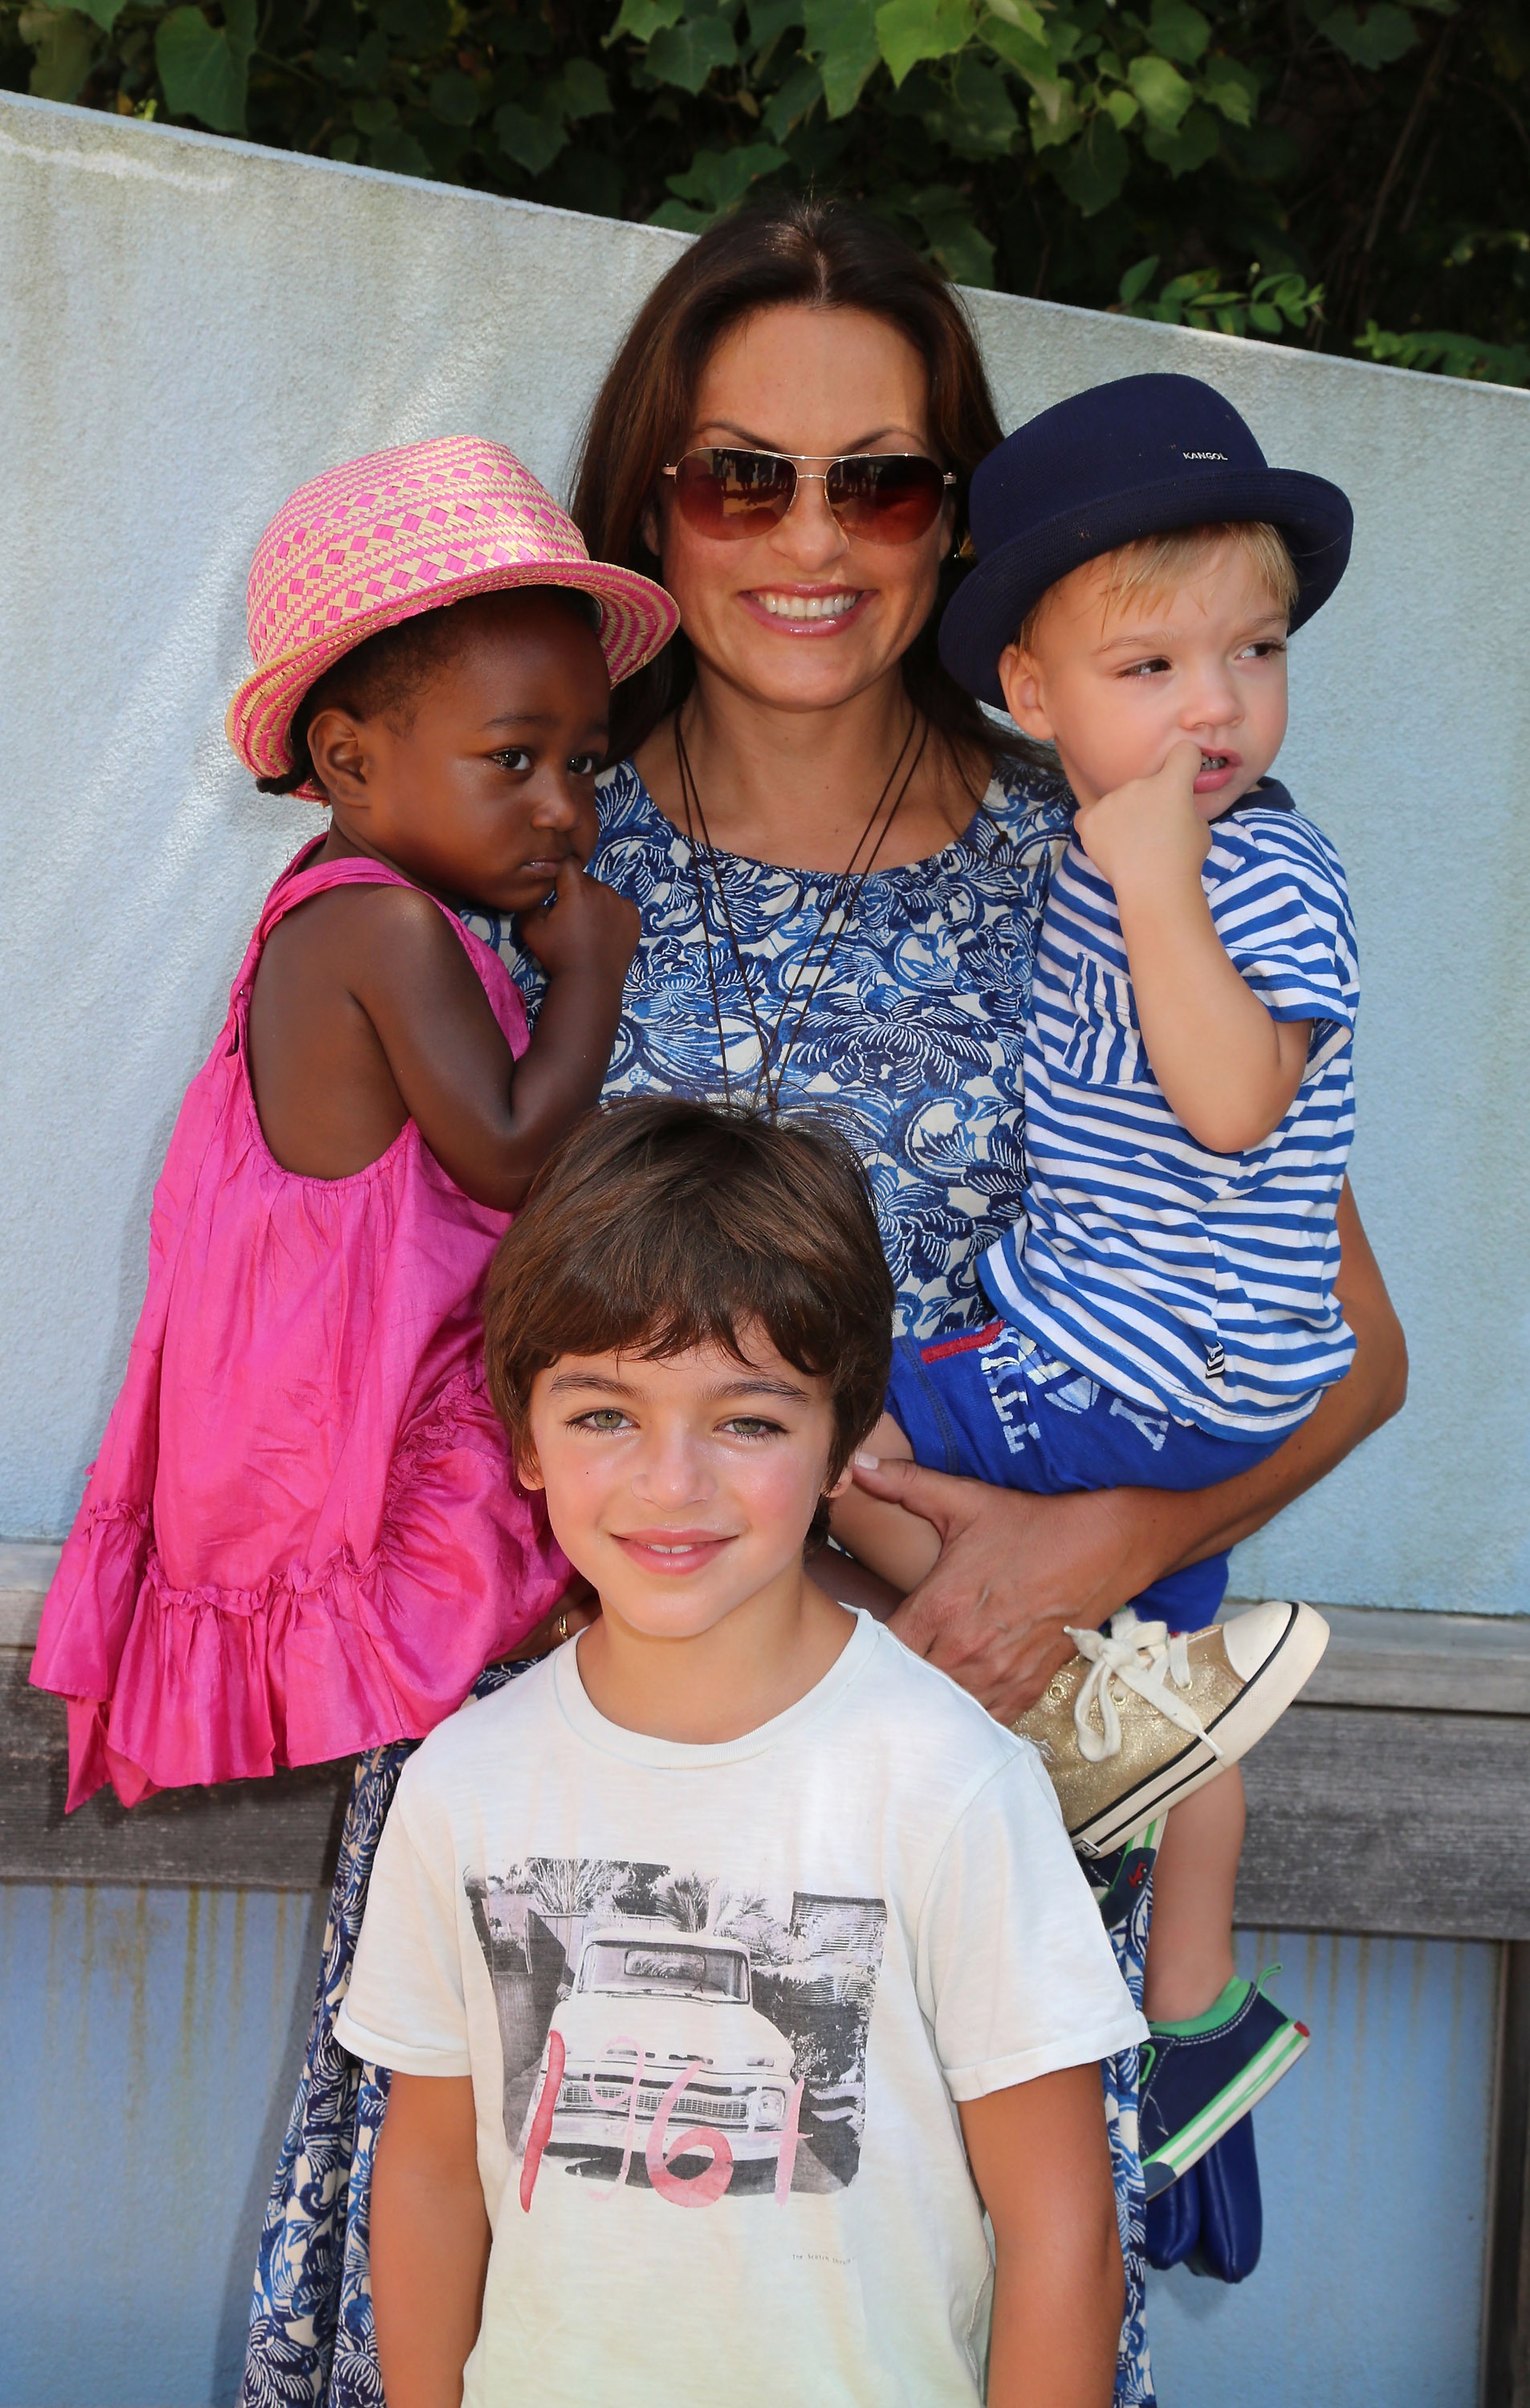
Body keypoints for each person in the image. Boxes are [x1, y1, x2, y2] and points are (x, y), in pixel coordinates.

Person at [246, 197, 1406, 2407]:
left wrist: (1096, 1554)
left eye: (876, 479)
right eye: (735, 476)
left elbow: (1343, 1332)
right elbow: (360, 1342)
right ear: (649, 510)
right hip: (570, 1835)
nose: (807, 538)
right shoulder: (515, 871)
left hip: (949, 1811)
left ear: (961, 527)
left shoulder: (1110, 849)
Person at [344, 1097, 1146, 2408]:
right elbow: (430, 2170)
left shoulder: (948, 1785)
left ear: (841, 1444)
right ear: (525, 1434)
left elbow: (1061, 2233)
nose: (674, 1482)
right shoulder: (462, 1787)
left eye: (748, 1422)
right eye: (605, 1413)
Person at [833, 371, 1361, 2199]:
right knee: (1174, 1673)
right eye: (1150, 668)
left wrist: (1153, 885)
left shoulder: (1246, 874)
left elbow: (1227, 1106)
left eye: (1253, 652)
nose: (1213, 704)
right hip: (1184, 1376)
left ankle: (1025, 1665)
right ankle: (1197, 2008)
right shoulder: (1108, 857)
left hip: (1125, 1366)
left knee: (810, 1425)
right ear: (1030, 695)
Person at [31, 437, 675, 1807]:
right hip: (368, 1452)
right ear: (346, 757)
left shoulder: (352, 905)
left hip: (382, 1411)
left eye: (585, 762)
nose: (565, 809)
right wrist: (592, 977)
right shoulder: (379, 929)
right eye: (514, 759)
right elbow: (510, 1158)